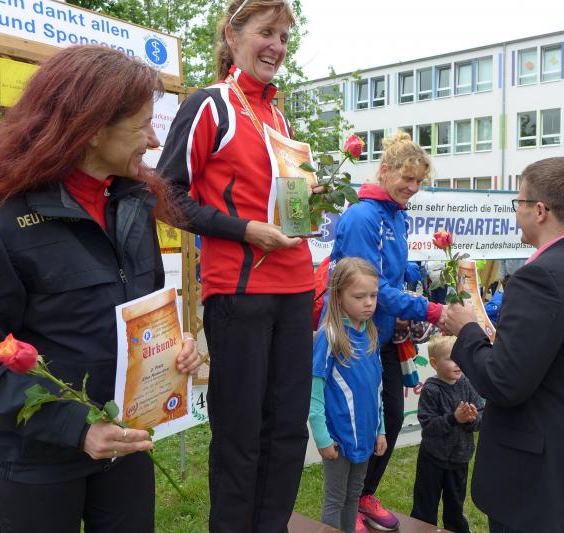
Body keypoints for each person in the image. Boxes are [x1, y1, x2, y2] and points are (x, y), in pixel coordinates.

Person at [0, 45, 201, 533]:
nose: (154, 139)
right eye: (142, 125)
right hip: (39, 461)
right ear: (92, 129)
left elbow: (143, 308)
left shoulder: (134, 204)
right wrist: (77, 428)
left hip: (126, 443)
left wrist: (171, 347)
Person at [156, 1, 314, 530]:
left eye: (284, 37)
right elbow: (166, 198)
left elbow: (283, 206)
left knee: (287, 431)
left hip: (296, 287)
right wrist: (244, 230)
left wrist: (307, 203)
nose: (277, 46)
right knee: (240, 435)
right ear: (232, 34)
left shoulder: (279, 116)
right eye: (267, 32)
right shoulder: (210, 105)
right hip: (240, 292)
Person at [441, 157, 564, 533]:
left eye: (519, 202)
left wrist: (467, 330)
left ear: (540, 211)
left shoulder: (540, 277)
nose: (517, 212)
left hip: (536, 479)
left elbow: (503, 382)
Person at [329, 131, 445, 531]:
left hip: (381, 336)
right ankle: (346, 506)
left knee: (390, 420)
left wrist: (421, 271)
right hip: (353, 338)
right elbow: (370, 286)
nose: (412, 188)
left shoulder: (397, 213)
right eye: (407, 178)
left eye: (418, 182)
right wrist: (432, 310)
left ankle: (363, 496)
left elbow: (390, 272)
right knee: (356, 425)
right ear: (384, 170)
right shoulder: (363, 217)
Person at [309, 258, 387, 533]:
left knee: (354, 494)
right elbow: (314, 391)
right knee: (335, 498)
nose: (369, 303)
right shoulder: (329, 337)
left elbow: (377, 388)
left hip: (366, 435)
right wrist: (322, 438)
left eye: (373, 295)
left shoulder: (372, 335)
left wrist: (380, 430)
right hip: (339, 439)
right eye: (359, 296)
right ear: (339, 296)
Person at [411, 335, 483, 533]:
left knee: (455, 506)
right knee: (425, 506)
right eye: (451, 358)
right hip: (432, 459)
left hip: (460, 459)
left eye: (460, 357)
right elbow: (428, 426)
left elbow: (481, 415)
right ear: (434, 363)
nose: (458, 363)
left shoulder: (467, 384)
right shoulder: (431, 390)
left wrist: (471, 419)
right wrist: (454, 419)